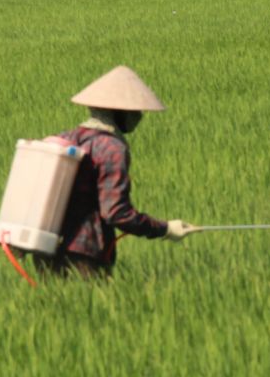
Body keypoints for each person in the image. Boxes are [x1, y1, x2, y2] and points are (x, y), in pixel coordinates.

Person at [35, 65, 195, 278]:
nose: (139, 116)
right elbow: (116, 213)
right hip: (85, 254)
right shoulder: (112, 149)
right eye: (134, 111)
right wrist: (163, 229)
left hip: (46, 249)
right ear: (118, 111)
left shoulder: (67, 138)